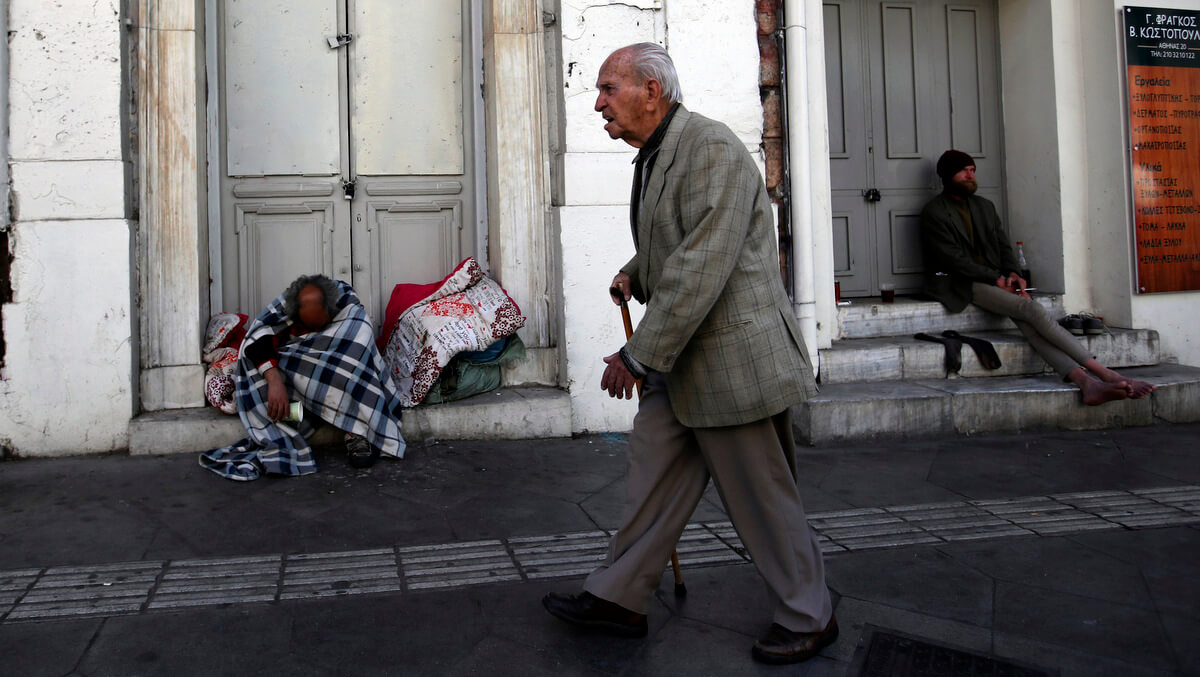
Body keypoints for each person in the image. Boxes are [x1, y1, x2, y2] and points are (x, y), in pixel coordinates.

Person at [541, 43, 837, 665]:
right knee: (651, 479)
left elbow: (704, 262)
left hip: (732, 362)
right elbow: (673, 244)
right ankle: (620, 597)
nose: (598, 103)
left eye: (609, 88)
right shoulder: (657, 153)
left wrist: (637, 354)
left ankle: (811, 615)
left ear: (653, 91)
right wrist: (633, 271)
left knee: (760, 497)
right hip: (685, 362)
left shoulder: (710, 147)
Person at [920, 150, 1156, 405]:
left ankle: (1087, 384)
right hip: (959, 281)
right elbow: (952, 260)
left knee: (1030, 325)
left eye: (973, 170)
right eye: (964, 170)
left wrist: (1013, 274)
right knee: (1029, 308)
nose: (970, 175)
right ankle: (1105, 374)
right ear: (948, 175)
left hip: (994, 279)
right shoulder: (935, 211)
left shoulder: (984, 206)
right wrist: (996, 280)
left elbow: (1003, 247)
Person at [200, 274, 406, 481]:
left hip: (347, 392)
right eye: (310, 327)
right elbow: (255, 341)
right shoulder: (285, 313)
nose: (315, 332)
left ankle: (358, 431)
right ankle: (310, 416)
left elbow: (357, 359)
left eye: (320, 325)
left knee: (351, 360)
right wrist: (274, 380)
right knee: (270, 400)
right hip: (304, 398)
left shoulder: (352, 319)